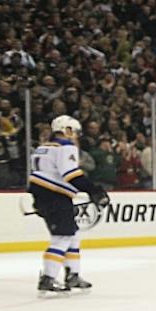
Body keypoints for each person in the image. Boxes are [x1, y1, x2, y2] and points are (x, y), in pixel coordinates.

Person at [29, 114, 107, 293]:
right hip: (55, 196)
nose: (76, 135)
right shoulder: (66, 146)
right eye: (75, 131)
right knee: (62, 237)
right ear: (67, 130)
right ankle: (48, 278)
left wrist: (37, 201)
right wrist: (92, 189)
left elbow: (40, 175)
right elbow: (70, 174)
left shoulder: (42, 147)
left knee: (73, 235)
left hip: (43, 195)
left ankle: (73, 275)